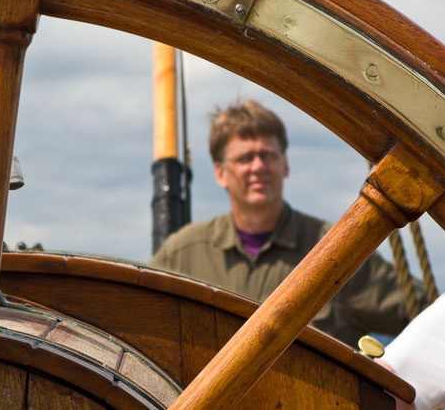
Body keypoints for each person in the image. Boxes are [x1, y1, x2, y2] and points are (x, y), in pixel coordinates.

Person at [150, 99, 424, 347]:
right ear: (220, 173)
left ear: (285, 164)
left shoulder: (336, 250)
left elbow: (426, 315)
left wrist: (394, 380)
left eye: (267, 155)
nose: (258, 166)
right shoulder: (182, 256)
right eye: (245, 158)